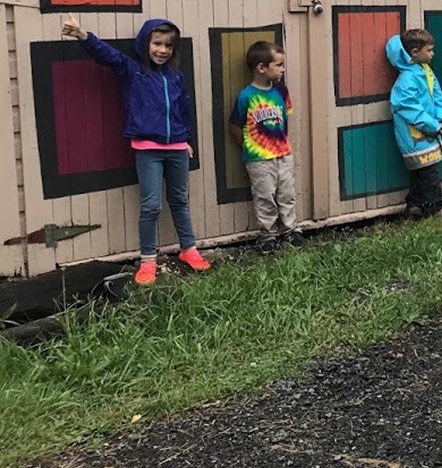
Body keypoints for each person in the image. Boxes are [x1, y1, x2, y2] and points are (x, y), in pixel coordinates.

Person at [61, 15, 209, 285]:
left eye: (168, 46)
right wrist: (83, 35)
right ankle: (148, 261)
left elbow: (183, 110)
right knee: (151, 206)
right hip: (148, 149)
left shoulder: (176, 76)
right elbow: (108, 56)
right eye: (157, 43)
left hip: (177, 147)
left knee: (180, 201)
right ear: (145, 43)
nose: (162, 50)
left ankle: (189, 250)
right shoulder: (133, 70)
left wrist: (186, 139)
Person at [228, 41, 300, 251]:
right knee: (265, 196)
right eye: (279, 65)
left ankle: (290, 230)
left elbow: (285, 120)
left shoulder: (281, 91)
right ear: (261, 68)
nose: (283, 69)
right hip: (259, 158)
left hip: (283, 154)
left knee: (287, 193)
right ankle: (268, 235)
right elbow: (234, 125)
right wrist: (248, 147)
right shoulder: (246, 96)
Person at [387, 28, 442, 218]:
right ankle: (435, 207)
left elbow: (437, 96)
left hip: (428, 132)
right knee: (429, 173)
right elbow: (409, 108)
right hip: (415, 136)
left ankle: (414, 206)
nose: (433, 54)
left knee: (420, 172)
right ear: (415, 53)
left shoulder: (426, 72)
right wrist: (431, 125)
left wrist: (440, 119)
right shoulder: (406, 80)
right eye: (429, 50)